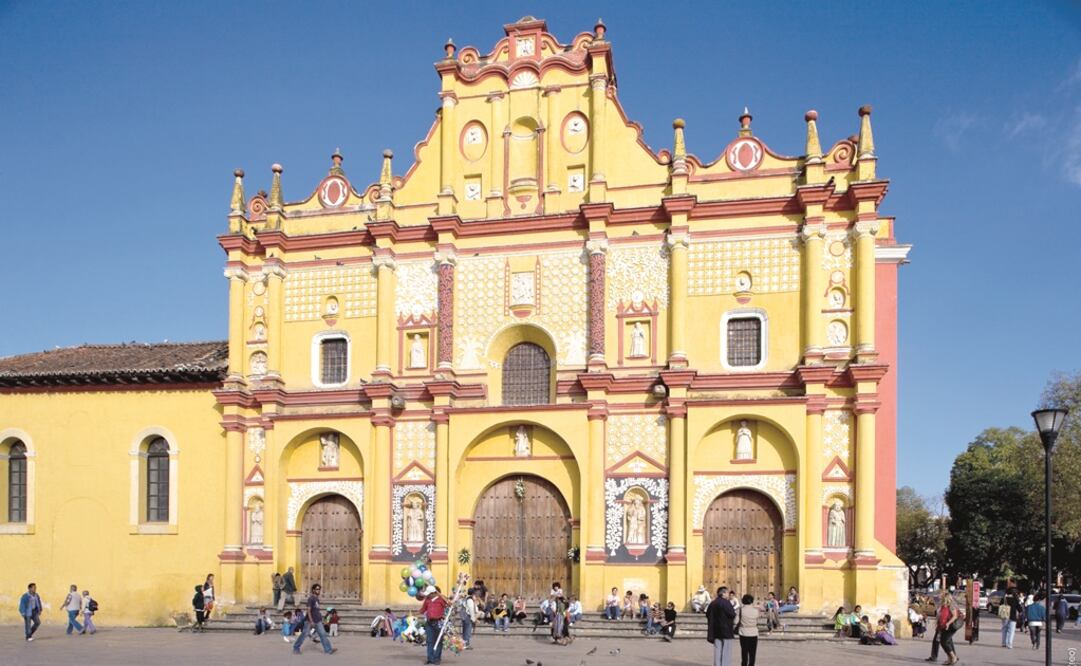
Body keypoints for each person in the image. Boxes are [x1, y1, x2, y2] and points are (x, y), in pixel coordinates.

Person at [292, 584, 336, 655]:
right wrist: (311, 621)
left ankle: (328, 650)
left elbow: (316, 610)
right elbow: (309, 610)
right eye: (317, 589)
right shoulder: (311, 599)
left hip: (318, 620)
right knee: (304, 634)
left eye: (319, 589)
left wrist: (320, 619)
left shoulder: (317, 599)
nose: (318, 590)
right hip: (310, 621)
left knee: (323, 634)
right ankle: (296, 648)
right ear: (313, 590)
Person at [706, 586, 737, 666]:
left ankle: (717, 664)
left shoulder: (713, 603)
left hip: (716, 630)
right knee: (726, 650)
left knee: (717, 649)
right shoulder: (726, 603)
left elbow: (707, 614)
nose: (728, 594)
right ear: (723, 593)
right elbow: (732, 614)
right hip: (726, 630)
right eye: (727, 593)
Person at [420, 585, 448, 665]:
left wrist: (440, 595)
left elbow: (450, 604)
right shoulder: (427, 600)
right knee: (429, 641)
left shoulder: (441, 600)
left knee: (438, 641)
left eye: (429, 593)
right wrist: (413, 614)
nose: (427, 595)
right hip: (429, 623)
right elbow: (423, 609)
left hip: (439, 623)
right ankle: (430, 658)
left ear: (433, 593)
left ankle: (437, 658)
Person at [937, 591, 961, 665]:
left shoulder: (951, 605)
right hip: (943, 626)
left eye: (942, 597)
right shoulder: (943, 605)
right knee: (948, 641)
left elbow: (955, 616)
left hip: (951, 626)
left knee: (944, 641)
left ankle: (953, 657)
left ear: (946, 598)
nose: (941, 599)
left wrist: (948, 623)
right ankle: (949, 658)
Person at [737, 594, 759, 666]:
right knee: (752, 653)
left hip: (744, 632)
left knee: (744, 653)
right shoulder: (756, 610)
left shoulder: (741, 610)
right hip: (753, 633)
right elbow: (757, 620)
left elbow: (736, 621)